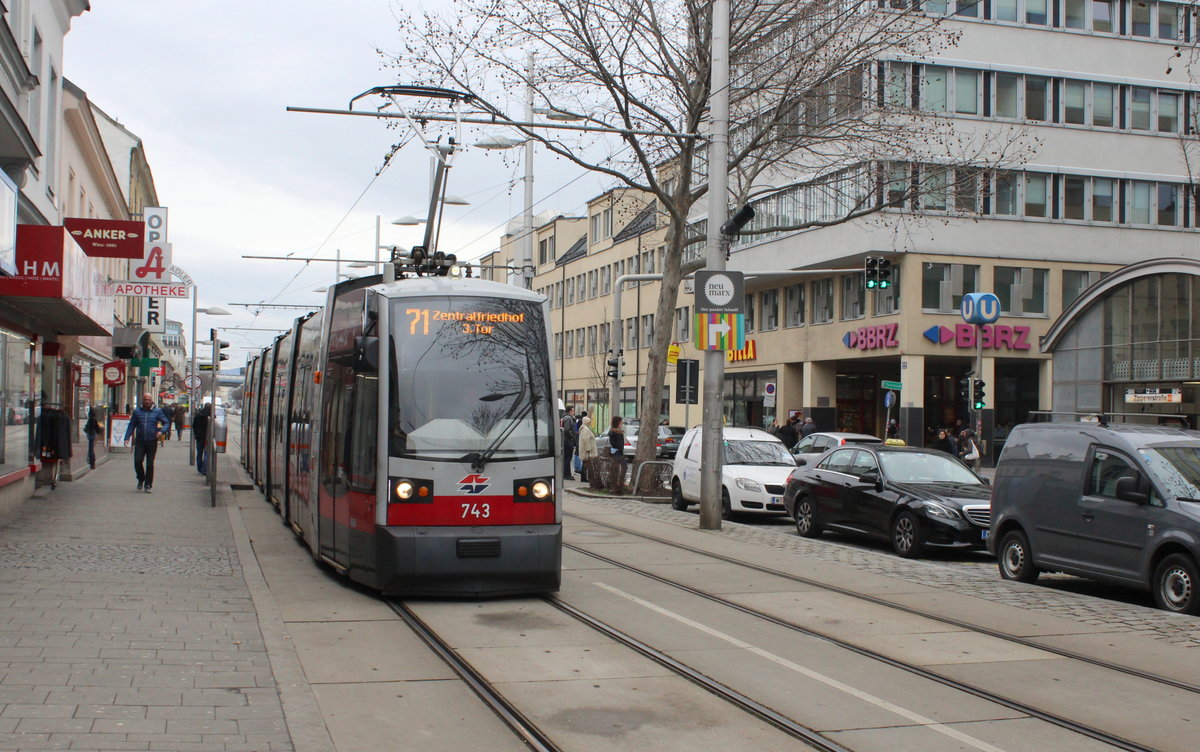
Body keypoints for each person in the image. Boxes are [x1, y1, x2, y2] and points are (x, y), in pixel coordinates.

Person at [122, 393, 171, 492]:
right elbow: (132, 425)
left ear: (151, 400)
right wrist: (127, 438)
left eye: (149, 400)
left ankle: (148, 484)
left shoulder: (157, 411)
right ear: (142, 400)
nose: (147, 401)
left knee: (149, 463)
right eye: (145, 400)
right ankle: (141, 479)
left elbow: (167, 422)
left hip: (152, 441)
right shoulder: (137, 412)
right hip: (140, 441)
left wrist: (161, 432)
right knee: (137, 461)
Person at [608, 416, 627, 494]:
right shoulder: (614, 432)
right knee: (619, 468)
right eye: (621, 421)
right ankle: (617, 485)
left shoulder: (618, 431)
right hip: (617, 451)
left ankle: (619, 484)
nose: (622, 423)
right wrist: (619, 448)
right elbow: (615, 442)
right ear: (618, 422)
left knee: (621, 468)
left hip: (618, 451)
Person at [193, 402, 213, 476]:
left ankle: (200, 468)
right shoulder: (210, 416)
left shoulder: (198, 415)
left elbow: (194, 425)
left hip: (199, 437)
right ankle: (205, 469)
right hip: (207, 437)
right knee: (207, 453)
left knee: (199, 453)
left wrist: (195, 434)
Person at [578, 415, 598, 487]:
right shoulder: (586, 429)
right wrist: (588, 449)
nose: (590, 423)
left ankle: (584, 477)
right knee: (587, 464)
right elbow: (586, 439)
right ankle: (586, 477)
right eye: (589, 422)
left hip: (585, 449)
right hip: (587, 450)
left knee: (585, 463)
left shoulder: (584, 428)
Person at [560, 405, 578, 481]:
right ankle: (567, 474)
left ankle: (566, 474)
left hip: (565, 440)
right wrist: (572, 438)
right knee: (568, 458)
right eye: (573, 411)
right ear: (570, 411)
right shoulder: (568, 418)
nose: (574, 412)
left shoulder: (565, 417)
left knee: (566, 458)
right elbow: (567, 429)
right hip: (567, 441)